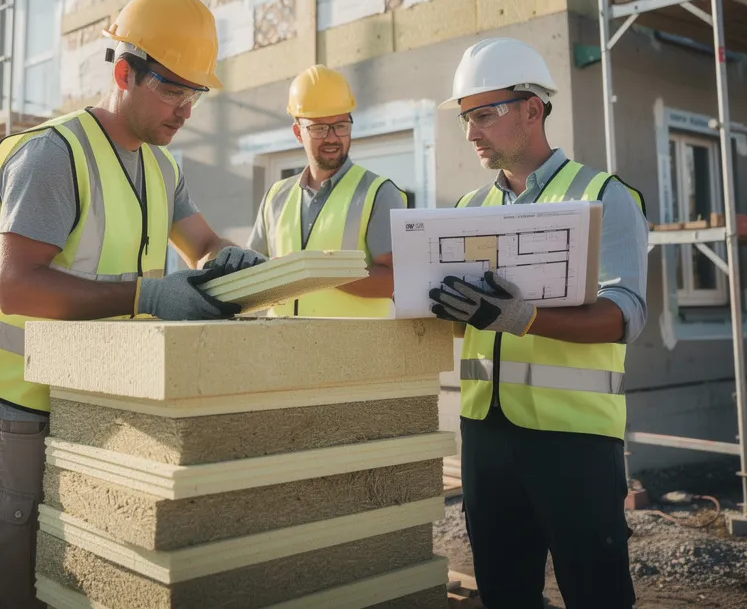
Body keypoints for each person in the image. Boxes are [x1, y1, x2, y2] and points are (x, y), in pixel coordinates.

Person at [0, 0, 264, 608]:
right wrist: (149, 297)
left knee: (80, 570)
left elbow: (200, 242)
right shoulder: (53, 155)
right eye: (172, 90)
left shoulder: (162, 165)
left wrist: (226, 262)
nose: (185, 110)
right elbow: (16, 286)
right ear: (124, 73)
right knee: (11, 579)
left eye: (194, 94)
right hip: (19, 398)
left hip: (98, 395)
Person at [427, 38, 648, 608]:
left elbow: (625, 314)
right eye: (464, 119)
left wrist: (523, 317)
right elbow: (466, 325)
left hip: (574, 439)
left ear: (532, 108)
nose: (471, 132)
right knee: (503, 594)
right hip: (484, 435)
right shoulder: (467, 210)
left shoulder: (603, 196)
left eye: (484, 115)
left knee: (595, 593)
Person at [247, 65, 406, 316]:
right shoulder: (275, 196)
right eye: (319, 129)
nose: (332, 137)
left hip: (352, 351)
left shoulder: (378, 193)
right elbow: (252, 274)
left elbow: (396, 279)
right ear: (298, 133)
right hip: (283, 349)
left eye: (341, 125)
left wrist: (318, 272)